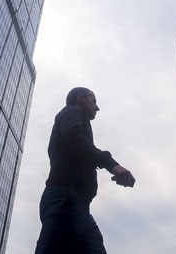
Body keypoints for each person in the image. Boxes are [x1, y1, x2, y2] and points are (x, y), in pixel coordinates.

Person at [35, 87, 136, 254]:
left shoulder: (77, 118)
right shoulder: (72, 111)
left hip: (79, 204)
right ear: (81, 99)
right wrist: (112, 164)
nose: (97, 107)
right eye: (93, 101)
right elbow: (74, 138)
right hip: (65, 199)